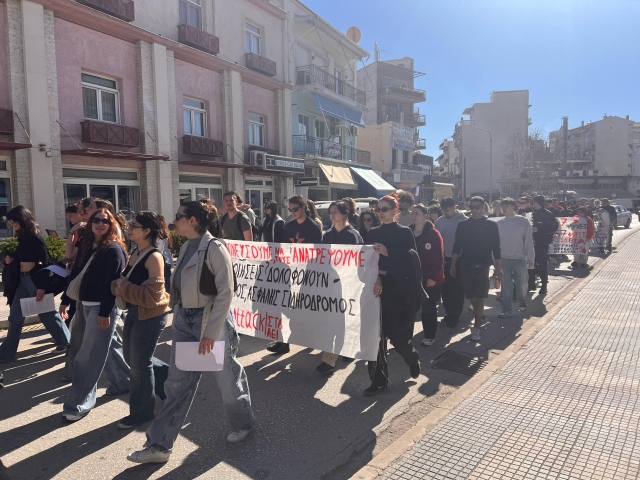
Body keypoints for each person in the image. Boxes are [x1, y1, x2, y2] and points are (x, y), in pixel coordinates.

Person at [128, 201, 255, 464]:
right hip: (186, 320)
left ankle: (243, 422)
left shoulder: (215, 247)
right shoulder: (186, 247)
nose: (175, 221)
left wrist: (210, 332)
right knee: (177, 384)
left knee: (227, 379)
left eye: (179, 217)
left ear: (194, 221)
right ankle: (159, 446)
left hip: (210, 321)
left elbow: (225, 292)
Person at [62, 208, 127, 421]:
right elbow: (76, 275)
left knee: (88, 356)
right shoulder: (87, 246)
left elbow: (113, 284)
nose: (100, 224)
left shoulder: (114, 249)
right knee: (106, 349)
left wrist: (105, 313)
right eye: (96, 220)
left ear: (111, 225)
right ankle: (122, 382)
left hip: (102, 308)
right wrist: (66, 300)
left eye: (105, 221)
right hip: (84, 305)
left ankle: (78, 403)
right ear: (89, 223)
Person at [112, 212, 171, 429]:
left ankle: (142, 412)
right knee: (132, 357)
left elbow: (153, 297)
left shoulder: (154, 257)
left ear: (147, 231)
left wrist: (123, 288)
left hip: (150, 316)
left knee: (139, 364)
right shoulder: (136, 252)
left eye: (134, 226)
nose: (129, 228)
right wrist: (118, 286)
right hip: (135, 313)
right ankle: (172, 380)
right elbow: (123, 281)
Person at [365, 194, 424, 395]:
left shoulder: (404, 233)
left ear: (395, 211)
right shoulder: (372, 232)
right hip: (376, 288)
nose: (380, 213)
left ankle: (411, 357)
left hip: (398, 291)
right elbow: (366, 262)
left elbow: (413, 262)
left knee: (397, 337)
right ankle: (378, 381)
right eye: (378, 210)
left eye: (384, 209)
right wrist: (376, 278)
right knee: (376, 337)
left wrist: (389, 253)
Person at [0, 206, 71, 364]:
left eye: (14, 221)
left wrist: (41, 286)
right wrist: (11, 258)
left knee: (46, 313)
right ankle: (7, 353)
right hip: (23, 280)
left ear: (21, 218)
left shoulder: (34, 236)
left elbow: (43, 262)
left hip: (34, 280)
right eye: (10, 221)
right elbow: (22, 256)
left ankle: (66, 342)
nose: (12, 224)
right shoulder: (23, 235)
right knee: (15, 317)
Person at [267, 194, 323, 354]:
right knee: (285, 306)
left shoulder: (313, 227)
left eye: (295, 209)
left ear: (303, 207)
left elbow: (317, 252)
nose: (292, 212)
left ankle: (312, 336)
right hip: (290, 273)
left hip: (307, 273)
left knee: (306, 309)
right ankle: (283, 341)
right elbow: (283, 248)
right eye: (290, 210)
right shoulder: (288, 226)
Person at [315, 201, 363, 375]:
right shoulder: (326, 235)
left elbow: (360, 261)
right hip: (330, 283)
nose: (332, 214)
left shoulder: (353, 235)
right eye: (330, 212)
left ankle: (336, 355)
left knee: (346, 320)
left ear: (344, 214)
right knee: (333, 320)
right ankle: (331, 357)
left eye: (335, 211)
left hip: (348, 284)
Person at [450, 196, 502, 342]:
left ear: (483, 207)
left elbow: (496, 248)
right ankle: (480, 317)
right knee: (471, 296)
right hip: (465, 264)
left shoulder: (491, 225)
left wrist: (498, 269)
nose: (474, 210)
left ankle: (477, 325)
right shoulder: (463, 224)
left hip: (483, 265)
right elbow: (457, 245)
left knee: (479, 296)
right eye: (471, 207)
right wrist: (453, 264)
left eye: (477, 207)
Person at [411, 205, 444, 346]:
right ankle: (406, 336)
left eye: (417, 213)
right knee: (410, 308)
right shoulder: (408, 231)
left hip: (429, 277)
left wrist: (434, 277)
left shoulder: (433, 233)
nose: (414, 216)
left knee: (428, 308)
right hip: (412, 276)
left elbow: (439, 257)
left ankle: (429, 335)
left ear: (425, 215)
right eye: (413, 213)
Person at [496, 198, 534, 317]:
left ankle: (522, 301)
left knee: (521, 283)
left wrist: (531, 258)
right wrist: (495, 259)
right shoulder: (499, 223)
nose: (504, 208)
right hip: (504, 258)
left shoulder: (522, 221)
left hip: (520, 258)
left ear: (513, 207)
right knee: (506, 285)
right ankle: (506, 309)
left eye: (506, 206)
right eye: (502, 206)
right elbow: (495, 242)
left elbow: (528, 240)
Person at [434, 197, 467, 327]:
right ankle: (449, 313)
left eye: (447, 210)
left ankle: (455, 315)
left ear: (455, 207)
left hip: (460, 259)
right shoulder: (439, 221)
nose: (445, 213)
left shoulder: (463, 220)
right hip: (444, 258)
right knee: (445, 289)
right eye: (443, 210)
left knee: (457, 289)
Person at [531, 195, 559, 295]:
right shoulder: (533, 214)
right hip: (532, 242)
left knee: (542, 263)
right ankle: (531, 283)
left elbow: (553, 228)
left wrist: (539, 230)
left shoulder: (548, 214)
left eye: (535, 203)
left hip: (542, 243)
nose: (533, 205)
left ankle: (544, 285)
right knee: (531, 263)